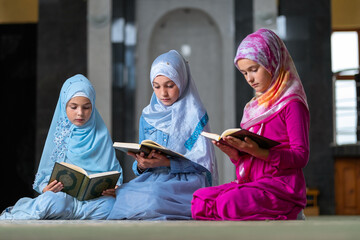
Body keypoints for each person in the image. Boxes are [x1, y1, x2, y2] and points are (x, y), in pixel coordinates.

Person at [191, 28, 309, 221]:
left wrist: (260, 152)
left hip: (282, 186)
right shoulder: (254, 107)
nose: (250, 79)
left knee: (228, 202)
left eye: (254, 70)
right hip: (254, 183)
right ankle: (239, 210)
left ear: (272, 62)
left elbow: (301, 156)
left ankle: (292, 210)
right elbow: (249, 159)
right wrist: (234, 153)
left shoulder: (292, 104)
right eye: (244, 73)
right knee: (199, 200)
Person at [107, 50, 218, 220]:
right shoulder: (148, 116)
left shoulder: (195, 114)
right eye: (156, 86)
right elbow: (140, 164)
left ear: (181, 80)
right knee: (123, 194)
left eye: (170, 85)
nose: (163, 93)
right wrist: (142, 165)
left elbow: (203, 164)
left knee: (154, 197)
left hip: (186, 181)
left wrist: (167, 162)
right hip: (154, 178)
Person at [0, 74, 122, 220]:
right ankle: (67, 213)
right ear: (64, 105)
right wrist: (46, 188)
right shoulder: (60, 134)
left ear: (93, 106)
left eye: (86, 107)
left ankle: (70, 215)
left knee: (111, 205)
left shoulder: (101, 135)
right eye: (73, 106)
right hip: (64, 199)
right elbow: (46, 174)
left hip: (93, 202)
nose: (80, 113)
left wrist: (113, 188)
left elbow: (114, 171)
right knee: (51, 201)